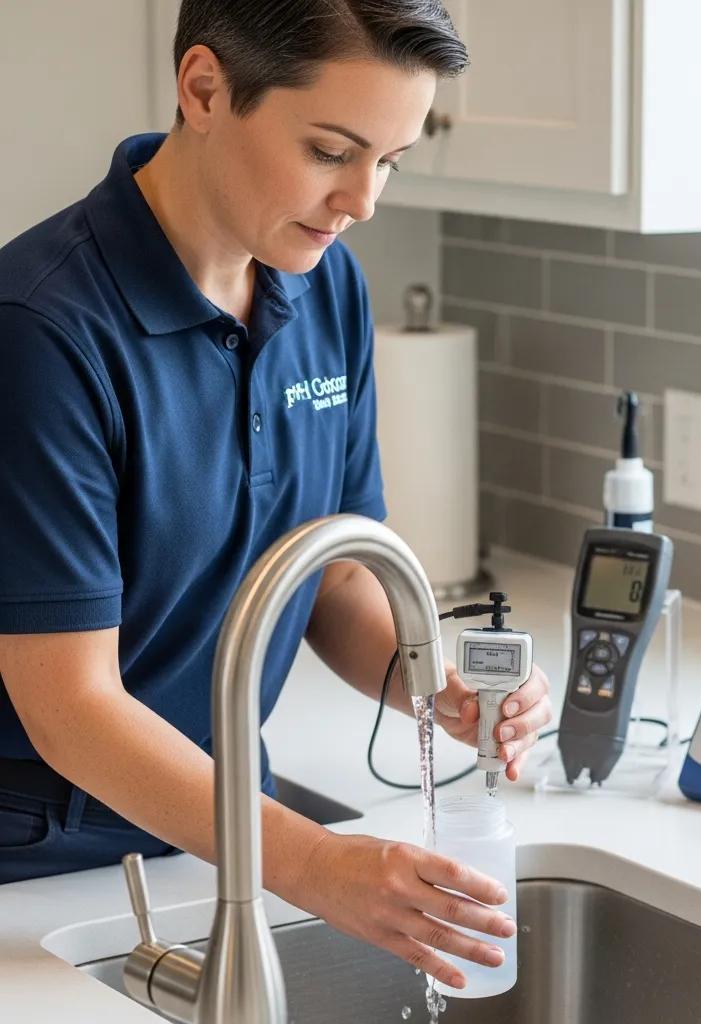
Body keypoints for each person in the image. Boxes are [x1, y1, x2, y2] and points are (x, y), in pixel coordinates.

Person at [0, 0, 552, 991]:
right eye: (333, 150)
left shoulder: (322, 285)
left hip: (215, 842)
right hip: (36, 880)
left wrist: (435, 686)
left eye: (390, 159)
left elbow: (337, 571)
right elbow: (70, 706)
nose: (364, 199)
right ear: (204, 88)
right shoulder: (40, 331)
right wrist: (312, 864)